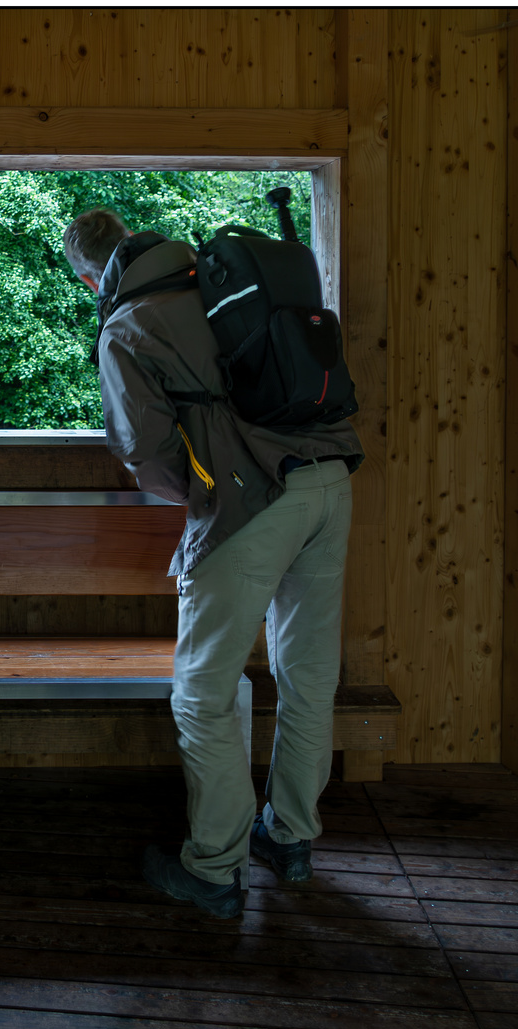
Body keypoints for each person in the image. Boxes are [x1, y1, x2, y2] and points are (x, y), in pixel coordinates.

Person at [63, 208, 364, 918]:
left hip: (252, 503)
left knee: (202, 693)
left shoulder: (127, 324)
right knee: (307, 675)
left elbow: (143, 449)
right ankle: (289, 839)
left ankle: (214, 866)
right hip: (329, 481)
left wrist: (202, 494)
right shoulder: (217, 278)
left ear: (87, 275)